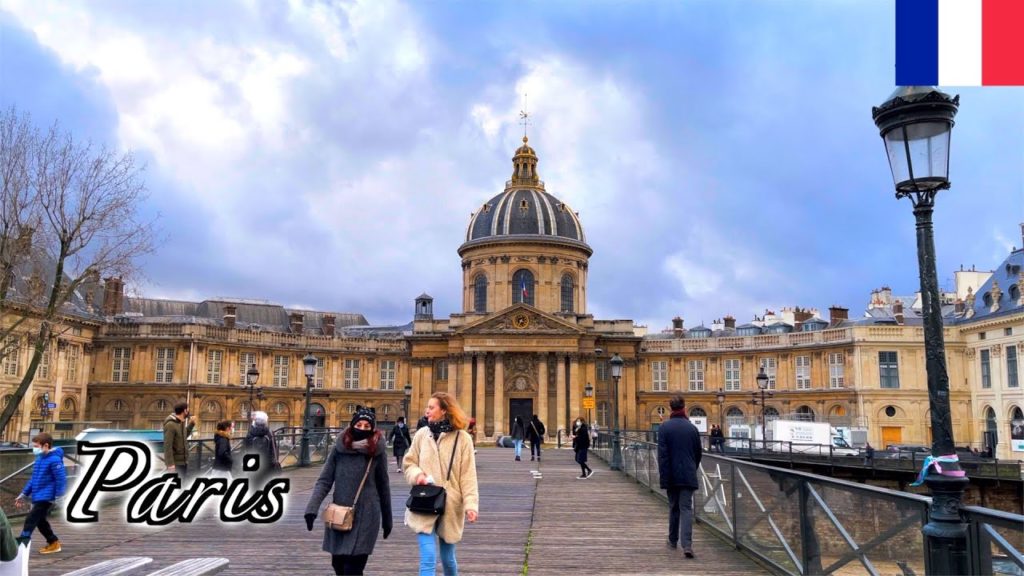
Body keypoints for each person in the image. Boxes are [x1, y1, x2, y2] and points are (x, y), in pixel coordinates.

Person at [305, 408, 392, 576]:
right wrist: (311, 509)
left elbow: (383, 486)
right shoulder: (339, 448)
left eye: (367, 426)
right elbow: (324, 481)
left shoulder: (377, 452)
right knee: (338, 565)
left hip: (367, 515)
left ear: (373, 428)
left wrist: (387, 519)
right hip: (340, 514)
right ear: (352, 425)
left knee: (352, 569)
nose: (362, 428)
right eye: (359, 424)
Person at [404, 392, 479, 576]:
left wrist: (471, 505)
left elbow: (468, 476)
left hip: (451, 504)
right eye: (427, 407)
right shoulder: (422, 434)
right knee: (428, 558)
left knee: (448, 559)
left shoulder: (463, 439)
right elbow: (409, 463)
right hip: (424, 501)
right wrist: (417, 475)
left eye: (431, 407)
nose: (426, 411)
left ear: (444, 410)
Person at [657, 395, 702, 559]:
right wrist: (692, 468)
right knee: (686, 508)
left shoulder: (664, 428)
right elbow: (698, 453)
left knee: (673, 507)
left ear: (670, 408)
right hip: (688, 473)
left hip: (671, 474)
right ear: (684, 407)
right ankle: (687, 545)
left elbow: (662, 456)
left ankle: (672, 540)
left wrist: (664, 476)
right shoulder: (692, 428)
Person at [15, 433, 66, 555]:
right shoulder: (40, 459)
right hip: (38, 495)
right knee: (40, 521)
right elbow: (34, 479)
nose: (34, 449)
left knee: (30, 519)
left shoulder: (54, 460)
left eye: (36, 446)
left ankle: (21, 547)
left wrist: (59, 496)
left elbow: (61, 479)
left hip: (47, 497)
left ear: (46, 445)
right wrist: (24, 494)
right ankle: (53, 542)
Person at [244, 411, 280, 485]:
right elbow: (273, 449)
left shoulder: (251, 433)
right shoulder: (269, 433)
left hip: (253, 462)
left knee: (253, 482)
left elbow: (246, 448)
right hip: (267, 462)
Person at [163, 401, 196, 479]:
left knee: (182, 485)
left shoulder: (181, 423)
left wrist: (191, 424)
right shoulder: (170, 424)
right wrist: (170, 464)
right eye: (188, 409)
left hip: (183, 461)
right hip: (176, 463)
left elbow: (184, 435)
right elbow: (168, 446)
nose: (189, 411)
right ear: (184, 411)